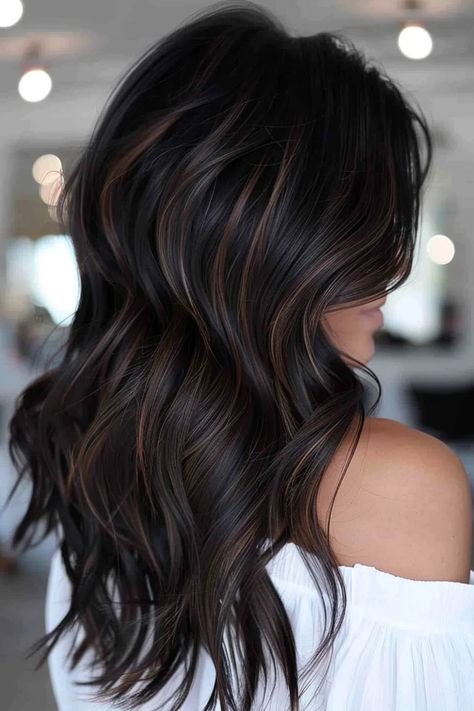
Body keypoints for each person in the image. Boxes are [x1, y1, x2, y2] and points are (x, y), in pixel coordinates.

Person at [7, 3, 474, 710]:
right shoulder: (403, 485)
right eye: (370, 230)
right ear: (272, 244)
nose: (399, 262)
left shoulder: (91, 457)